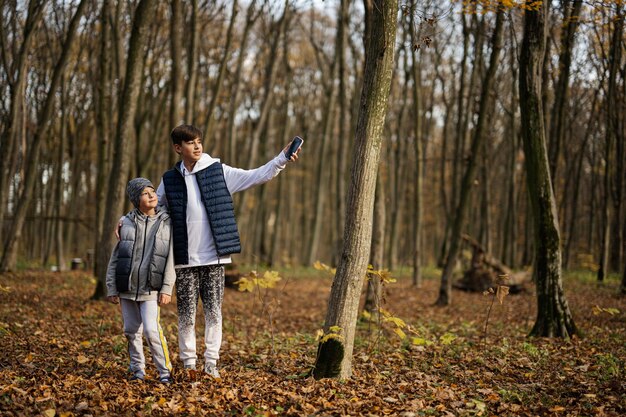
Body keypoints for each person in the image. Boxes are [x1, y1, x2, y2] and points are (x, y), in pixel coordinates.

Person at [156, 124, 301, 377]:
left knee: (213, 313)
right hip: (184, 260)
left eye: (199, 140)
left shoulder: (218, 171)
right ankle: (189, 363)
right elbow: (153, 209)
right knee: (186, 316)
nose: (197, 146)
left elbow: (257, 175)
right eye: (191, 143)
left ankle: (211, 362)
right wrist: (127, 220)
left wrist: (281, 159)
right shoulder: (169, 180)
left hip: (214, 257)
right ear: (178, 148)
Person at [106, 178, 175, 384]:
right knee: (130, 330)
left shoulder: (167, 222)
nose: (152, 195)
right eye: (145, 193)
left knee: (152, 330)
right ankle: (138, 370)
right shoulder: (126, 223)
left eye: (152, 191)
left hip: (151, 288)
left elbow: (171, 258)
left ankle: (165, 372)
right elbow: (116, 257)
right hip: (127, 287)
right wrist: (111, 286)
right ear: (136, 200)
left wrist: (167, 288)